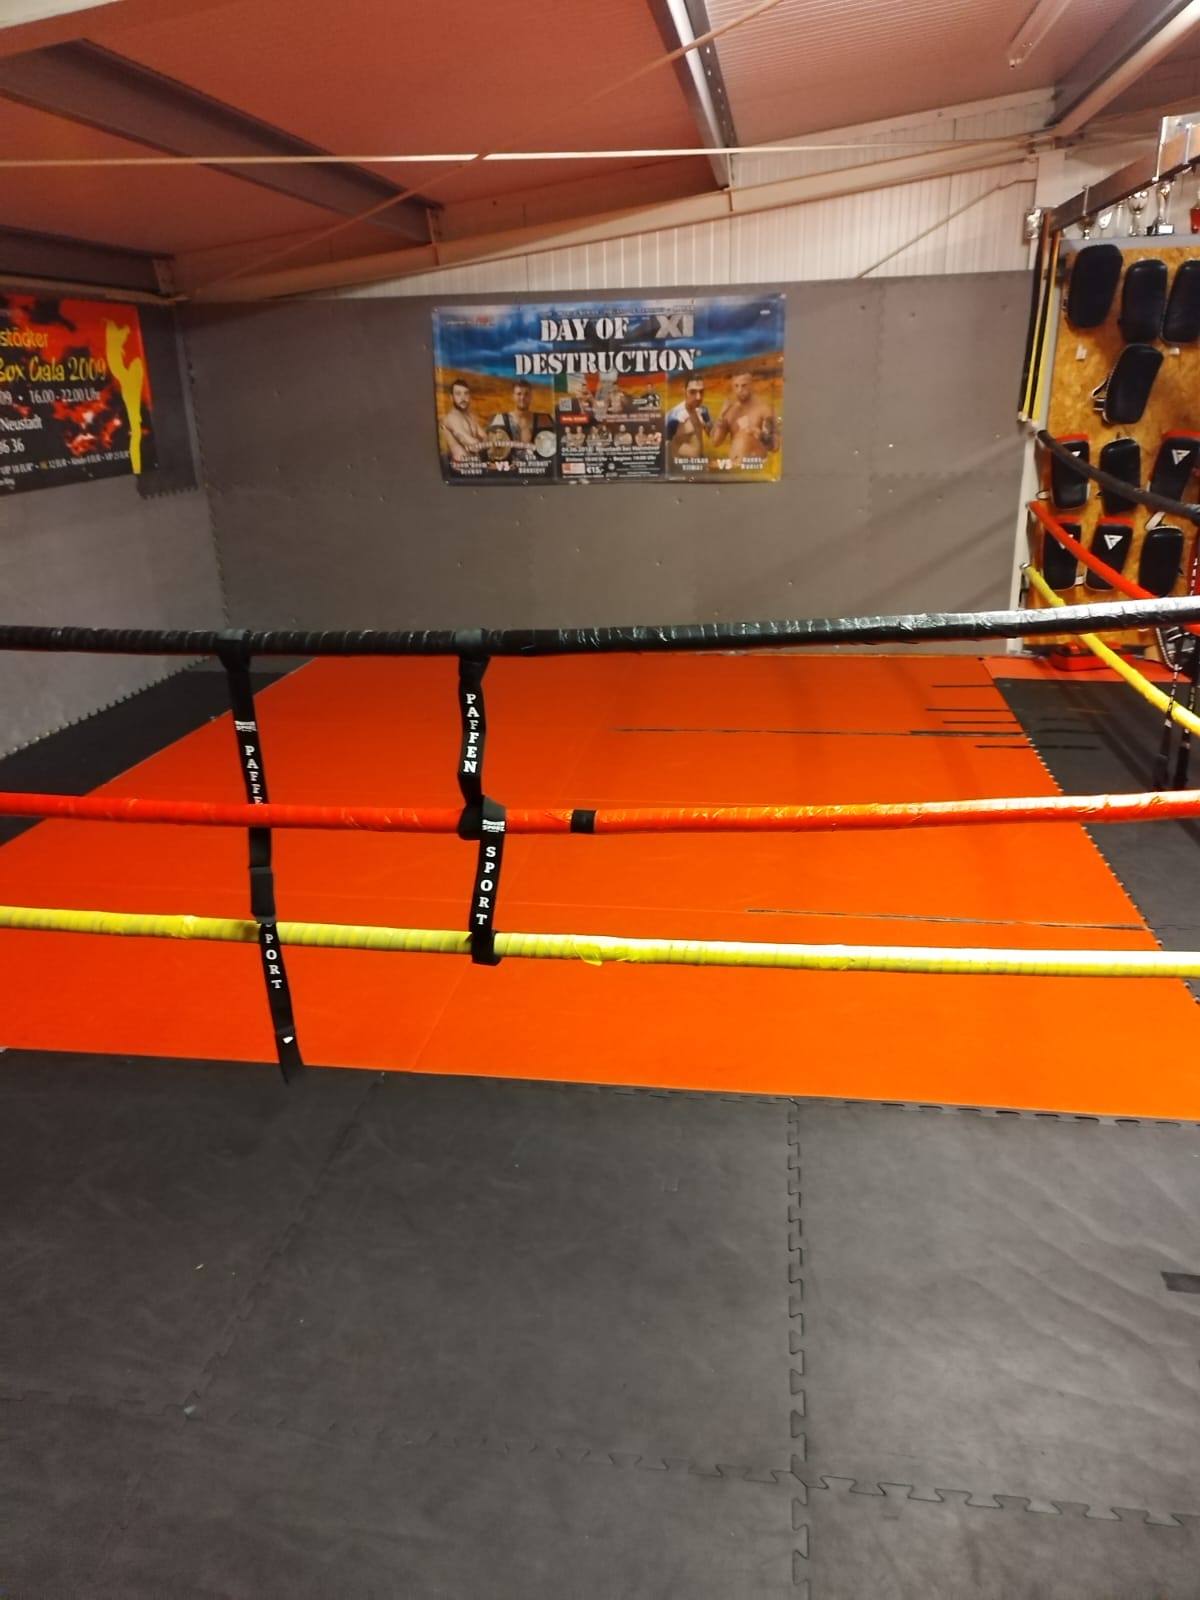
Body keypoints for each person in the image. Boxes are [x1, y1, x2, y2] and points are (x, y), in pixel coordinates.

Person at [710, 371, 779, 464]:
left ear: (752, 385)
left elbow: (775, 446)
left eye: (744, 385)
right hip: (734, 466)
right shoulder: (730, 410)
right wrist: (721, 415)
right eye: (736, 386)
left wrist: (755, 431)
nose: (739, 390)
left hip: (756, 466)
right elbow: (715, 442)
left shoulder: (765, 409)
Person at [665, 377, 712, 460]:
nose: (698, 397)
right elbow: (662, 445)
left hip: (699, 462)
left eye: (701, 392)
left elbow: (712, 436)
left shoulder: (702, 410)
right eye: (693, 392)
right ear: (684, 391)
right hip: (681, 465)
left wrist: (708, 423)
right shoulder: (675, 415)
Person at [441, 377, 488, 461]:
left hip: (476, 465)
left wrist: (484, 442)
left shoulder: (471, 416)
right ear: (451, 397)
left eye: (466, 393)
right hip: (459, 467)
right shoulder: (451, 418)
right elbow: (473, 446)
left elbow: (485, 437)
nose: (463, 398)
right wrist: (483, 444)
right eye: (458, 394)